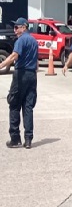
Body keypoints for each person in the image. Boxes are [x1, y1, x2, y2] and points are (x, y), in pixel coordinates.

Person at [0, 17, 39, 149]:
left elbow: (14, 56)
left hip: (21, 74)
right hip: (32, 75)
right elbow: (37, 62)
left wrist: (2, 65)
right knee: (28, 107)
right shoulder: (33, 40)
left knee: (14, 104)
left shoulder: (21, 40)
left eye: (17, 27)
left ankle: (15, 137)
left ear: (24, 27)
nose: (15, 30)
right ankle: (28, 139)